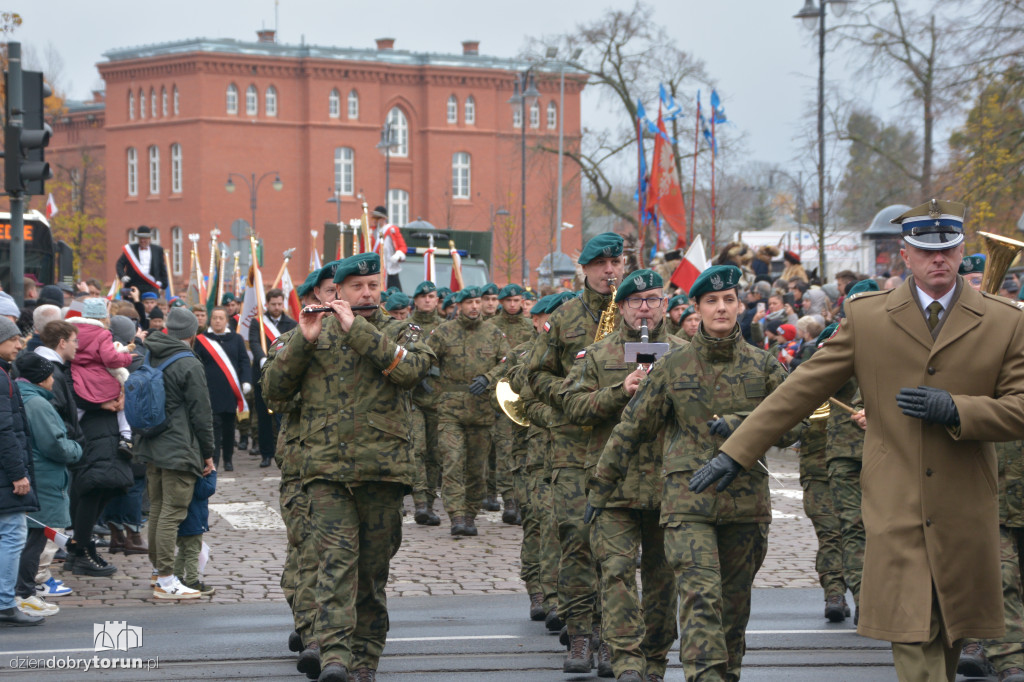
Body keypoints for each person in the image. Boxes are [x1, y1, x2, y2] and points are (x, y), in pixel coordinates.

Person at [694, 199, 1024, 682]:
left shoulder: (1003, 321)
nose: (939, 260)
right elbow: (801, 389)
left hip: (965, 505)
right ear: (904, 255)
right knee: (912, 633)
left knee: (948, 633)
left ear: (960, 253)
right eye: (926, 251)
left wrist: (959, 410)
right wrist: (737, 451)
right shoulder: (869, 318)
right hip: (896, 503)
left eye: (949, 250)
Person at [594, 264, 802, 682]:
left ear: (741, 306)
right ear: (697, 308)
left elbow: (797, 424)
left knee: (733, 606)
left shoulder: (763, 366)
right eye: (711, 301)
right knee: (699, 597)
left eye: (728, 300)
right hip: (687, 504)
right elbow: (632, 427)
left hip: (745, 505)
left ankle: (726, 674)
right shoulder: (673, 365)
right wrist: (601, 486)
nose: (721, 308)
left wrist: (744, 423)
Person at [262, 252, 434, 682]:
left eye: (373, 286)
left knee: (371, 573)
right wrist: (303, 339)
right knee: (335, 564)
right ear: (337, 291)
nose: (367, 293)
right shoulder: (310, 334)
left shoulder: (399, 330)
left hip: (383, 471)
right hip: (326, 472)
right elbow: (274, 393)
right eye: (358, 287)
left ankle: (364, 660)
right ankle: (334, 654)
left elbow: (410, 369)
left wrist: (358, 330)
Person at [561, 269, 683, 682]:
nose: (644, 308)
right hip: (614, 488)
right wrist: (619, 391)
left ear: (665, 304)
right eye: (635, 301)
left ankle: (653, 662)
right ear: (623, 307)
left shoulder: (684, 352)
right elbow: (573, 407)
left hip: (668, 488)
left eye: (652, 299)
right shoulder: (596, 356)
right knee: (615, 572)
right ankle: (625, 660)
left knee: (662, 582)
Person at [527, 232, 625, 673]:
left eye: (616, 262)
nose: (610, 271)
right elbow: (535, 375)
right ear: (583, 270)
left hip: (624, 446)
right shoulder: (563, 318)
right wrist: (567, 397)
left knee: (618, 547)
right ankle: (581, 635)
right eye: (601, 264)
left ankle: (612, 637)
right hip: (572, 446)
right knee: (576, 541)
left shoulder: (639, 314)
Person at [134, 308, 215, 600]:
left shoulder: (149, 352)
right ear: (193, 334)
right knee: (172, 513)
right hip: (179, 447)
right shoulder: (189, 364)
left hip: (151, 444)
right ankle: (167, 579)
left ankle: (158, 573)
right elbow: (201, 414)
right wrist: (208, 453)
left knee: (157, 509)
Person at [426, 287, 511, 537]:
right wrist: (428, 385)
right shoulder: (444, 332)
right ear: (458, 305)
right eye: (469, 302)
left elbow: (508, 362)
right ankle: (457, 516)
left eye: (478, 302)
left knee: (477, 469)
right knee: (452, 462)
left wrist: (489, 378)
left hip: (482, 411)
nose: (475, 306)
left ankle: (471, 513)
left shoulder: (494, 333)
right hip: (450, 410)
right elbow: (425, 358)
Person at [13, 353, 81, 619]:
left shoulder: (22, 396)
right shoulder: (37, 404)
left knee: (29, 538)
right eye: (51, 375)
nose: (54, 380)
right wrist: (76, 449)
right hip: (43, 479)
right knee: (35, 539)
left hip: (36, 477)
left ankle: (23, 591)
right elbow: (55, 446)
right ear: (41, 379)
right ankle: (25, 593)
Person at [0, 317, 42, 626]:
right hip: (5, 474)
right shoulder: (2, 377)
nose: (19, 344)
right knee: (13, 534)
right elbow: (4, 431)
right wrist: (18, 473)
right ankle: (4, 603)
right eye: (13, 338)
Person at [489, 283, 535, 524]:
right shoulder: (492, 328)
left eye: (517, 300)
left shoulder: (530, 327)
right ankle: (509, 500)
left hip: (529, 396)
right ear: (502, 302)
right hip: (504, 394)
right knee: (506, 451)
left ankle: (524, 500)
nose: (513, 305)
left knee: (527, 453)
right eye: (509, 301)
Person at [195, 307, 251, 472]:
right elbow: (196, 362)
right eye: (214, 318)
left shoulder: (236, 339)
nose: (217, 321)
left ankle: (228, 459)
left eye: (221, 318)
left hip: (230, 392)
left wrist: (246, 381)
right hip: (210, 391)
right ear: (210, 320)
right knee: (214, 428)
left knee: (229, 429)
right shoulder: (201, 340)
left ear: (226, 320)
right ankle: (214, 461)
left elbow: (244, 361)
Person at [409, 281, 444, 526]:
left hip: (438, 400)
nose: (427, 300)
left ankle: (429, 503)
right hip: (412, 399)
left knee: (435, 454)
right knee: (417, 450)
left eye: (431, 296)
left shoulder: (446, 328)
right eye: (423, 296)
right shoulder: (407, 327)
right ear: (416, 300)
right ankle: (419, 501)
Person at [249, 289, 297, 468]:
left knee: (282, 417)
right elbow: (254, 341)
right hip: (262, 375)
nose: (277, 307)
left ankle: (284, 453)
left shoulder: (291, 323)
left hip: (284, 376)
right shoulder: (257, 323)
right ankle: (266, 454)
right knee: (263, 417)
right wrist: (262, 358)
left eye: (279, 304)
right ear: (267, 304)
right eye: (273, 304)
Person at [173, 468, 216, 595]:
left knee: (182, 550)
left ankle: (177, 577)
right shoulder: (194, 476)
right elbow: (207, 490)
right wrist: (212, 473)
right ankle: (192, 581)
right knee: (192, 551)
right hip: (193, 521)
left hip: (181, 520)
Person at [116, 225, 168, 296]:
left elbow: (162, 267)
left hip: (151, 285)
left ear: (149, 238)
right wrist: (122, 276)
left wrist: (163, 283)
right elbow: (120, 264)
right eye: (140, 238)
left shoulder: (158, 250)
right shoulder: (130, 250)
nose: (142, 240)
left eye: (145, 238)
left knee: (150, 305)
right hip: (132, 284)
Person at [370, 206, 407, 290]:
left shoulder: (392, 230)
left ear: (383, 218)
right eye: (374, 217)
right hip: (376, 270)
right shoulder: (370, 231)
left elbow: (402, 246)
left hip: (390, 270)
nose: (375, 220)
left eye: (377, 218)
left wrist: (398, 254)